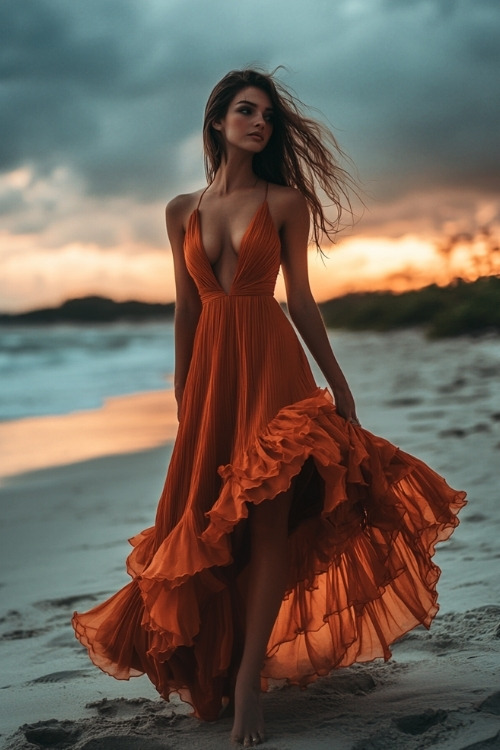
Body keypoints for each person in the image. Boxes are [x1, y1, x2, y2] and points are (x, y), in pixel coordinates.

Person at [72, 69, 466, 748]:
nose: (260, 123)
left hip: (273, 371)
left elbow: (303, 303)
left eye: (267, 116)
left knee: (268, 528)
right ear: (217, 122)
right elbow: (186, 307)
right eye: (246, 112)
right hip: (211, 383)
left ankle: (251, 685)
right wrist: (182, 385)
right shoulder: (180, 210)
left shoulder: (286, 203)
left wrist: (337, 385)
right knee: (205, 524)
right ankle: (226, 666)